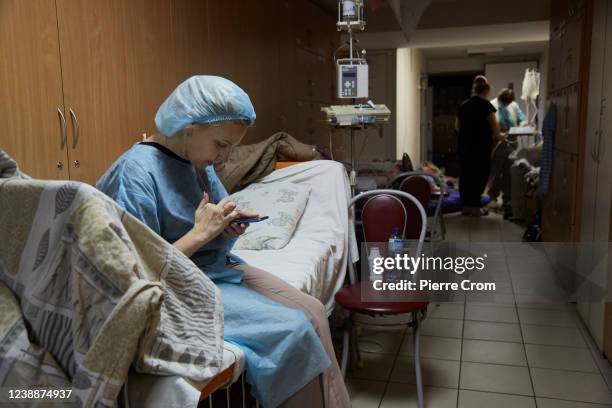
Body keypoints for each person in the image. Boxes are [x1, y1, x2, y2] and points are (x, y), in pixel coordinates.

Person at [96, 76, 350, 408]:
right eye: (221, 144)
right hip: (173, 287)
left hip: (213, 269)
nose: (225, 156)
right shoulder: (136, 173)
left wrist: (228, 227)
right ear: (189, 126)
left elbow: (219, 213)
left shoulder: (196, 162)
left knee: (314, 310)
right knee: (294, 329)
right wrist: (200, 233)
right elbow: (136, 275)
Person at [455, 76, 506, 216]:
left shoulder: (464, 105)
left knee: (465, 175)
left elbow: (457, 127)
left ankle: (466, 206)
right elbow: (496, 132)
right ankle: (475, 207)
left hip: (464, 147)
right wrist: (504, 136)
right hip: (480, 148)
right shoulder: (487, 106)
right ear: (486, 91)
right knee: (479, 175)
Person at [488, 88, 528, 218]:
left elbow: (523, 118)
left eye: (507, 103)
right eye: (503, 102)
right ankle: (492, 198)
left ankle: (507, 199)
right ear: (499, 99)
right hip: (497, 144)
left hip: (511, 144)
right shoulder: (492, 105)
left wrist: (522, 125)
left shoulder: (514, 106)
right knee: (495, 172)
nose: (505, 105)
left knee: (508, 173)